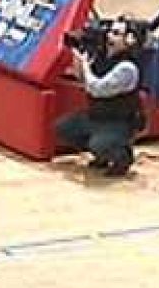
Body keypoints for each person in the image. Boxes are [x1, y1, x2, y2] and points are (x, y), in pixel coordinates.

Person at [53, 17, 145, 177]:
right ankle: (102, 156)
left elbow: (97, 89)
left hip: (119, 121)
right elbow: (83, 81)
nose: (109, 36)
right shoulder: (101, 55)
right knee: (63, 128)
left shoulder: (127, 68)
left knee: (100, 143)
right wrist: (78, 60)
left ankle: (122, 156)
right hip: (97, 116)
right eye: (110, 31)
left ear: (129, 40)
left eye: (116, 34)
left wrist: (86, 66)